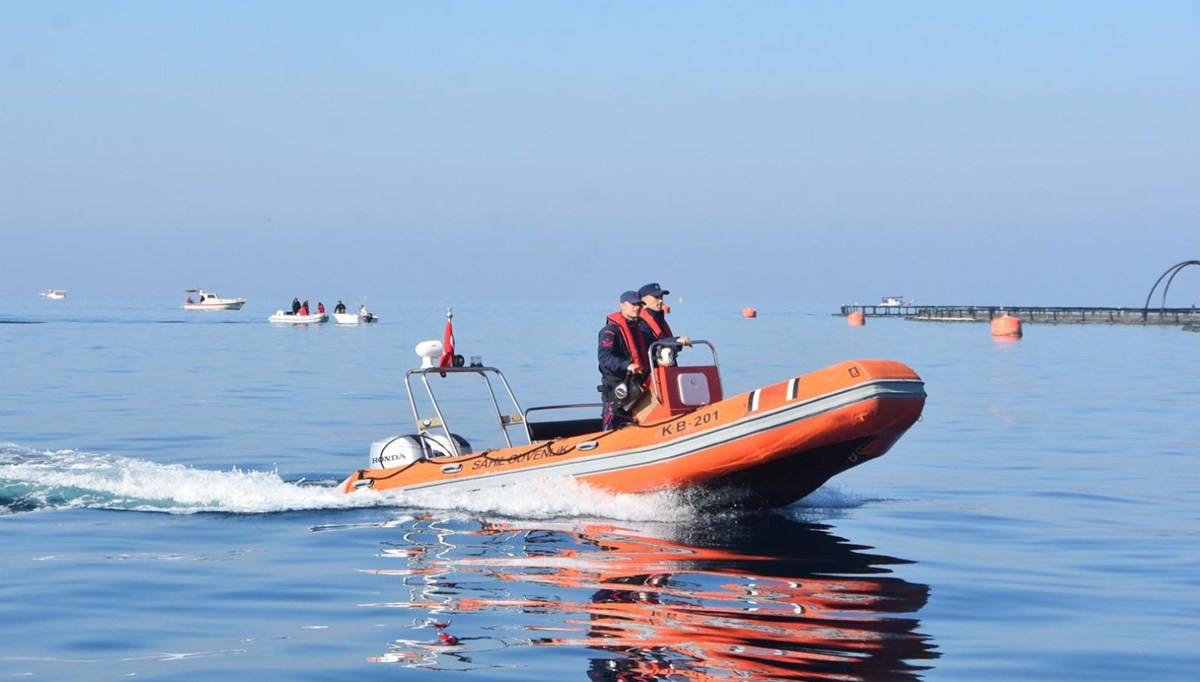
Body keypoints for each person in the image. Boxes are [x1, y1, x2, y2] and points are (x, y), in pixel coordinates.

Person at [597, 291, 651, 430]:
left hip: (637, 387)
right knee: (612, 426)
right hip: (617, 388)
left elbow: (657, 343)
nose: (637, 307)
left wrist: (676, 341)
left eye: (639, 304)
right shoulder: (610, 332)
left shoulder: (639, 330)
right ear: (622, 305)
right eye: (633, 304)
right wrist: (627, 365)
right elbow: (605, 358)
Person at [637, 283, 691, 363]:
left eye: (661, 297)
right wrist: (676, 341)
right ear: (644, 301)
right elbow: (650, 343)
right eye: (656, 297)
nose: (661, 300)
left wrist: (676, 342)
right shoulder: (639, 322)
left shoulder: (659, 319)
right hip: (651, 369)